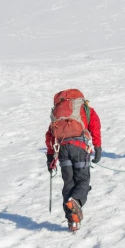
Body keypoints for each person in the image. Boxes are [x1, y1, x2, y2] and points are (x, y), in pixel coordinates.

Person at [45, 89, 102, 232]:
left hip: (63, 150)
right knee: (82, 180)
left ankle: (72, 220)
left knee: (68, 184)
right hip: (80, 148)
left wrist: (50, 158)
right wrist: (98, 147)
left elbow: (50, 134)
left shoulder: (58, 112)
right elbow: (95, 126)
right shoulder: (85, 108)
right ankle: (76, 201)